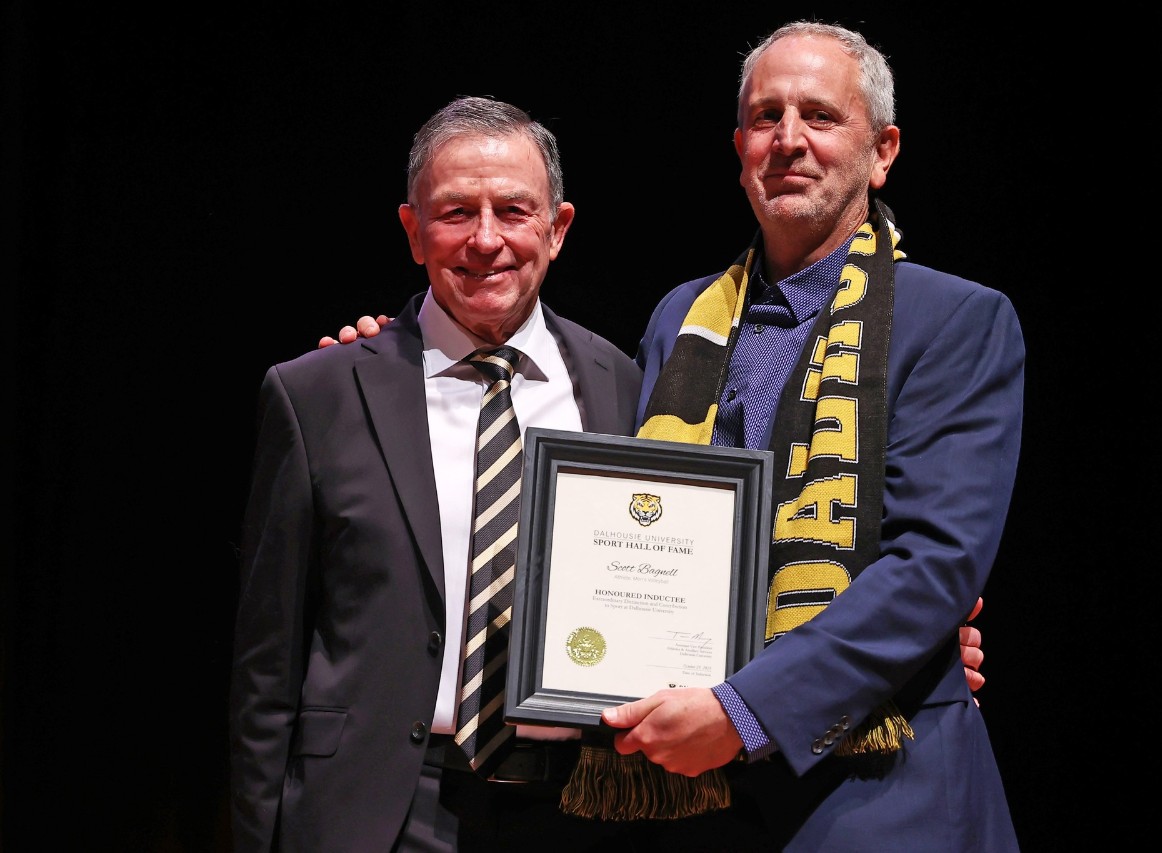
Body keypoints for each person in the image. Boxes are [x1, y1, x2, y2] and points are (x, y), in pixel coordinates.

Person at [331, 19, 1021, 851]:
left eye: (820, 116)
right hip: (694, 803)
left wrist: (744, 710)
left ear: (882, 151)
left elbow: (934, 565)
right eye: (766, 117)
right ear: (739, 149)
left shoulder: (955, 321)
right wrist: (399, 356)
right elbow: (609, 518)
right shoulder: (680, 322)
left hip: (880, 794)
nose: (788, 140)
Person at [229, 96, 647, 852]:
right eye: (456, 212)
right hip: (380, 809)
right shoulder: (319, 393)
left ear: (557, 229)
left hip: (575, 806)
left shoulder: (621, 382)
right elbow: (267, 664)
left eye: (514, 211)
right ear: (413, 232)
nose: (486, 240)